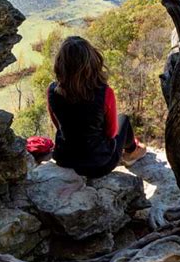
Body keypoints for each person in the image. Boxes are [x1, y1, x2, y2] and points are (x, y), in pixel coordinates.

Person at [47, 36, 146, 178]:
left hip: (65, 159)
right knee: (123, 119)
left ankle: (131, 150)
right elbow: (111, 133)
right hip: (99, 165)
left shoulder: (52, 90)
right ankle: (131, 152)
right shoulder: (104, 92)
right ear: (93, 61)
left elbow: (57, 124)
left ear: (60, 64)